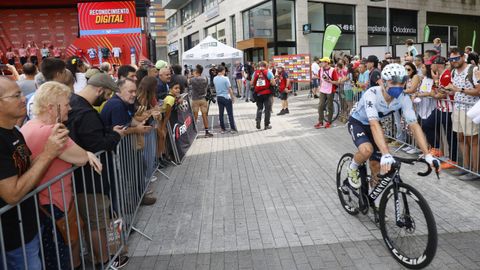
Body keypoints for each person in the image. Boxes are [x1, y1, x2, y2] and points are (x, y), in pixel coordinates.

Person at [20, 81, 102, 269]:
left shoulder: (29, 125)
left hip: (43, 204)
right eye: (66, 104)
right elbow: (80, 158)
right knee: (59, 258)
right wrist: (88, 153)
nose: (70, 108)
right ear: (51, 108)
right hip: (54, 204)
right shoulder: (50, 132)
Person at [0, 77, 69, 270]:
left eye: (21, 93)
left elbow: (27, 166)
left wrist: (51, 147)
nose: (23, 99)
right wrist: (48, 153)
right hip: (12, 237)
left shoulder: (14, 131)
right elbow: (12, 194)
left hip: (28, 225)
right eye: (15, 95)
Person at [66, 73, 129, 268]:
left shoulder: (75, 103)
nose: (108, 99)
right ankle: (105, 259)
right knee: (97, 223)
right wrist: (115, 135)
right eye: (108, 94)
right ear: (100, 90)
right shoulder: (86, 113)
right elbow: (96, 144)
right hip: (91, 179)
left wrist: (109, 133)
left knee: (92, 221)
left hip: (81, 178)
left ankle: (98, 258)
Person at [346, 63, 440, 191]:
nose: (398, 86)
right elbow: (373, 124)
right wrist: (385, 153)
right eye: (393, 82)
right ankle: (352, 167)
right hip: (358, 122)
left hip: (375, 124)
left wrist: (427, 154)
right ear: (383, 82)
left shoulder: (403, 98)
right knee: (367, 150)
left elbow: (414, 126)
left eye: (402, 83)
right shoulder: (372, 94)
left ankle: (372, 197)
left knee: (376, 164)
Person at [444, 48, 480, 181]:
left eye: (456, 58)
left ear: (462, 57)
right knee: (460, 138)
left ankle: (475, 171)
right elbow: (455, 91)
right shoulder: (453, 72)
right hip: (457, 108)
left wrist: (459, 89)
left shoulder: (473, 70)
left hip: (470, 109)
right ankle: (465, 167)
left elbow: (478, 91)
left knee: (472, 141)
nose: (454, 61)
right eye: (451, 59)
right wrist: (448, 91)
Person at [428, 56, 457, 169]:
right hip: (440, 108)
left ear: (438, 64)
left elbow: (441, 94)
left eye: (432, 64)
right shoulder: (440, 75)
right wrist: (435, 93)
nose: (430, 66)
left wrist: (435, 94)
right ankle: (437, 149)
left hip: (448, 109)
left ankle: (453, 160)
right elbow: (433, 90)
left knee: (450, 135)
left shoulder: (446, 75)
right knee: (427, 124)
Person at [314, 57, 339, 129]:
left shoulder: (332, 70)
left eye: (322, 62)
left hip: (330, 90)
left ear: (327, 63)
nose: (321, 63)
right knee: (320, 106)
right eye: (321, 62)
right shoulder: (320, 70)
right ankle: (320, 121)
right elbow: (319, 78)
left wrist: (330, 81)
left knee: (330, 106)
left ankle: (329, 122)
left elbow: (337, 82)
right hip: (322, 90)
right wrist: (319, 86)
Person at [190, 64, 213, 137]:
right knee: (204, 116)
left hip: (195, 99)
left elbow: (187, 83)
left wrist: (192, 76)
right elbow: (207, 87)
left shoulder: (192, 79)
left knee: (195, 116)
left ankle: (193, 132)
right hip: (203, 99)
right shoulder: (205, 78)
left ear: (196, 71)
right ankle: (207, 132)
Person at [252, 61, 275, 130]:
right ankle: (266, 125)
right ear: (266, 66)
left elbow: (251, 83)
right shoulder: (268, 72)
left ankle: (258, 120)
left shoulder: (255, 73)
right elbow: (273, 83)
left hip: (258, 94)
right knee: (267, 109)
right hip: (267, 93)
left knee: (259, 108)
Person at [214, 65, 237, 133]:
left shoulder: (215, 78)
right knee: (230, 114)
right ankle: (232, 129)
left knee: (221, 113)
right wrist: (233, 97)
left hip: (219, 97)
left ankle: (223, 129)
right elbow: (229, 89)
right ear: (223, 71)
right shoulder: (225, 78)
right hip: (226, 97)